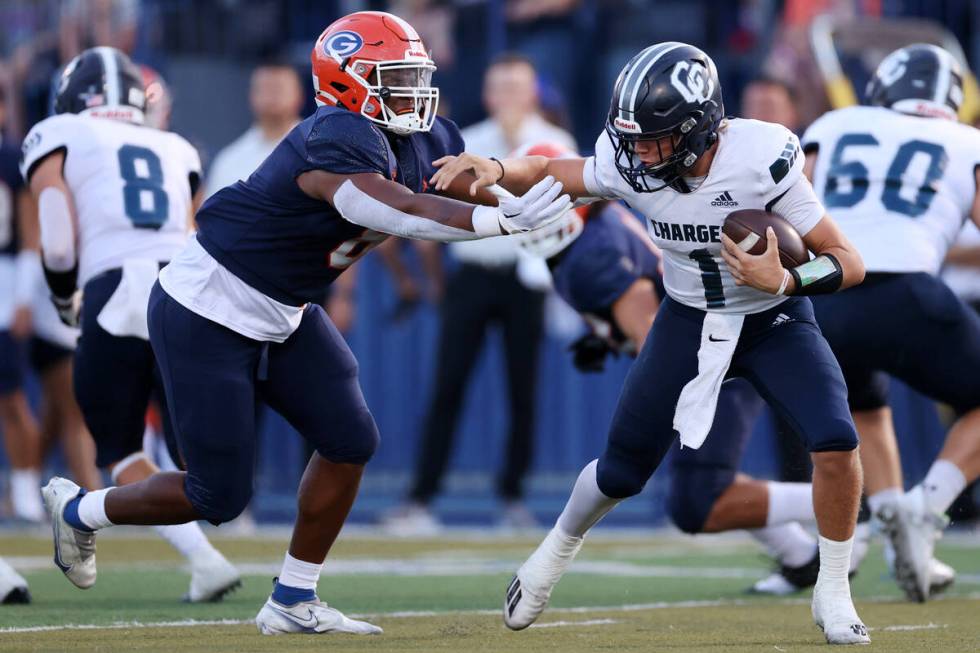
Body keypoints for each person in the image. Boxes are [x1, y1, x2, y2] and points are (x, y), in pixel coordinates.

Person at [39, 12, 569, 636]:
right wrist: (498, 222)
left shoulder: (420, 134)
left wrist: (555, 188)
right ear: (348, 83)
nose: (415, 92)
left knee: (350, 439)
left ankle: (293, 597)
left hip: (284, 307)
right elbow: (395, 208)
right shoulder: (333, 138)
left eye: (416, 77)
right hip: (208, 304)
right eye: (397, 79)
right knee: (218, 495)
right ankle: (79, 509)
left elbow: (462, 179)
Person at [432, 42, 870, 644]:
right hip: (688, 319)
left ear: (699, 128)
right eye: (631, 138)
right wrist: (500, 168)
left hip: (772, 320)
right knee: (621, 471)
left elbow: (849, 261)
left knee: (836, 440)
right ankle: (551, 556)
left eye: (654, 139)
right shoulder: (628, 159)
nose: (638, 152)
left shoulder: (758, 158)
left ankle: (834, 590)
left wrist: (787, 278)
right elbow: (560, 171)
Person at [518, 142, 866, 596]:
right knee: (698, 494)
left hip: (712, 357)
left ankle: (856, 514)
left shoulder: (590, 255)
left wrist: (649, 375)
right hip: (707, 342)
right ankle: (802, 554)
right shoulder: (600, 230)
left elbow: (645, 329)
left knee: (697, 500)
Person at [23, 46, 240, 603]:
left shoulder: (59, 131)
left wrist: (62, 291)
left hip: (113, 287)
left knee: (119, 450)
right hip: (186, 293)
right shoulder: (176, 145)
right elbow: (195, 230)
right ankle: (208, 559)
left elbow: (55, 222)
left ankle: (90, 521)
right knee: (197, 458)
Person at [802, 43, 980, 603]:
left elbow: (786, 202)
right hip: (908, 293)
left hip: (826, 293)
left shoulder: (835, 123)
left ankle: (899, 530)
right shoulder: (966, 140)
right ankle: (926, 509)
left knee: (865, 406)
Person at [384, 53, 576, 533]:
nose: (509, 96)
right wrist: (437, 282)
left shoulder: (557, 144)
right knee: (447, 386)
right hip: (473, 273)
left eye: (518, 86)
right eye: (501, 87)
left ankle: (513, 498)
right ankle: (420, 499)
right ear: (489, 94)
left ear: (533, 93)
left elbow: (576, 217)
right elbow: (436, 208)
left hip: (527, 279)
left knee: (522, 390)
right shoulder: (470, 142)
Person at [0, 83, 45, 522]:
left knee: (12, 398)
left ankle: (26, 486)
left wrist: (23, 298)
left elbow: (31, 232)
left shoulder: (12, 161)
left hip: (5, 282)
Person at [204, 61, 304, 198]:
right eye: (266, 88)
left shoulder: (319, 152)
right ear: (251, 96)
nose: (273, 96)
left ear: (299, 95)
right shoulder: (228, 160)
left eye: (280, 88)